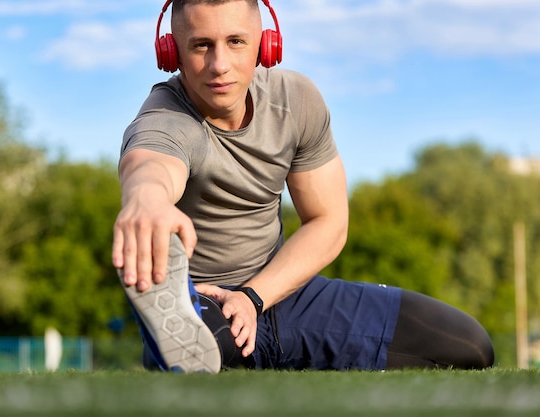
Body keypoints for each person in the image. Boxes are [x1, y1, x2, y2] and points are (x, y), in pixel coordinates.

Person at [112, 0, 495, 373]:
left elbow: (328, 221)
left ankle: (264, 351)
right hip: (209, 302)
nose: (220, 64)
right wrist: (147, 201)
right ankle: (181, 338)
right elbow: (150, 165)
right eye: (201, 45)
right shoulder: (166, 116)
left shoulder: (296, 100)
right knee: (205, 343)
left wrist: (254, 297)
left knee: (468, 345)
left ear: (265, 43)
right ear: (171, 52)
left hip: (284, 291)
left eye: (235, 41)